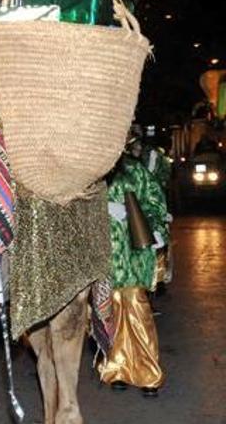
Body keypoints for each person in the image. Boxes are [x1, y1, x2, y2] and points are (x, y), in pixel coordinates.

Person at [97, 151, 169, 397]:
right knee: (111, 312)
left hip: (132, 254)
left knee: (137, 309)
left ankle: (148, 372)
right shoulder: (94, 168)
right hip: (104, 256)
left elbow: (154, 202)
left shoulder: (134, 169)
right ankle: (118, 368)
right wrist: (102, 209)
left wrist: (155, 227)